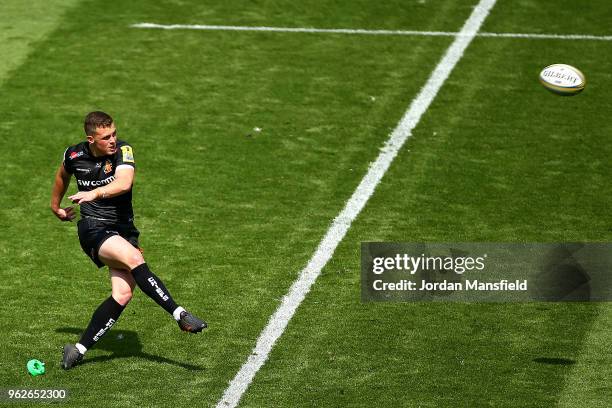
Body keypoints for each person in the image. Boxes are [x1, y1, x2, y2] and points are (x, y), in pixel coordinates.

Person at [50, 111, 207, 370]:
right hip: (93, 229)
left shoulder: (124, 151)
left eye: (114, 134)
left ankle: (77, 350)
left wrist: (95, 192)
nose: (113, 140)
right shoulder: (74, 155)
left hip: (124, 230)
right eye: (105, 137)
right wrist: (56, 207)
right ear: (91, 139)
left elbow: (124, 183)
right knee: (134, 259)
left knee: (122, 294)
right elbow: (61, 176)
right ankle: (180, 315)